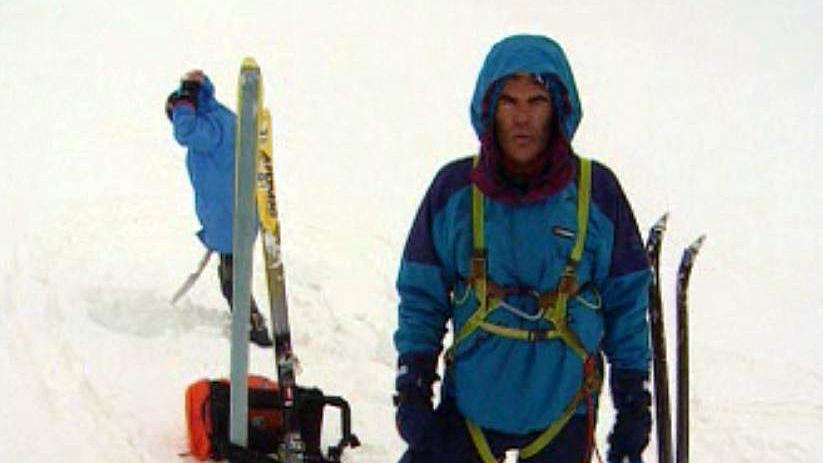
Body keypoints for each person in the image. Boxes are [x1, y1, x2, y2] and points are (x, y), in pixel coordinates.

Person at [394, 35, 652, 463]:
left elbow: (627, 303)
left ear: (558, 108)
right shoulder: (455, 192)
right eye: (509, 102)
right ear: (489, 107)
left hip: (563, 412)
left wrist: (632, 403)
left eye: (536, 101)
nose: (522, 118)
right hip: (471, 408)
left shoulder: (595, 194)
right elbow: (421, 293)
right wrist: (413, 383)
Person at [166, 70, 272, 348]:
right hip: (235, 213)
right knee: (233, 273)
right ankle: (249, 321)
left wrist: (184, 103)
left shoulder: (209, 128)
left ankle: (254, 329)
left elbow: (184, 131)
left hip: (232, 216)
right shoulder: (221, 118)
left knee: (231, 279)